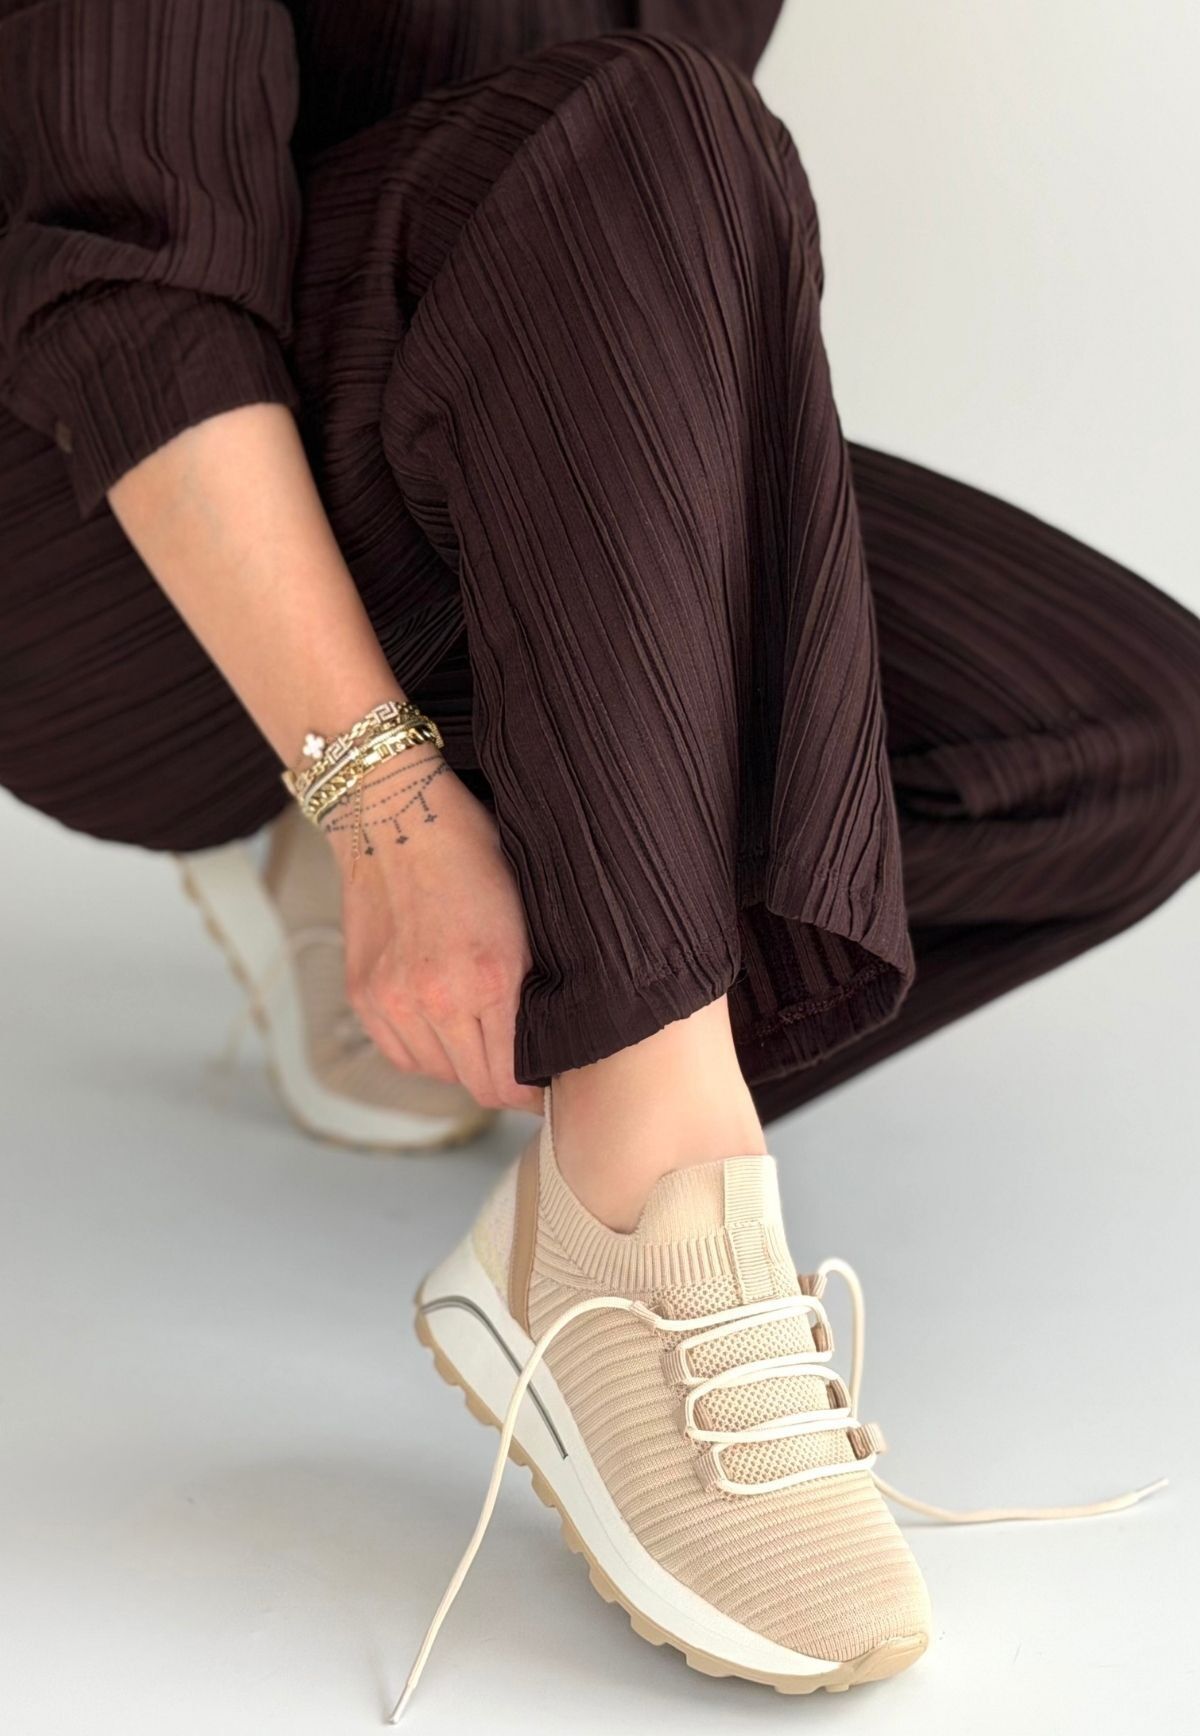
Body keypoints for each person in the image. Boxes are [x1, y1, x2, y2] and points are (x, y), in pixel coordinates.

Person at [2, 0, 1197, 1712]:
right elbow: (126, 272)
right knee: (649, 127)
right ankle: (645, 1213)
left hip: (463, 433)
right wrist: (383, 809)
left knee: (1126, 741)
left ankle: (569, 1052)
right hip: (96, 509)